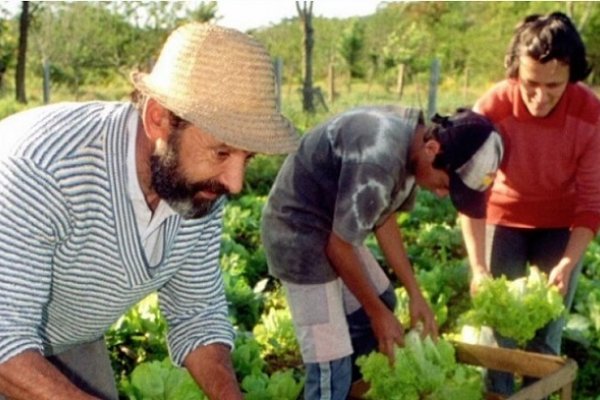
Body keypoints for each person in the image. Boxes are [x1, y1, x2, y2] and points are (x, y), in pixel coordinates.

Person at [0, 23, 299, 400]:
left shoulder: (196, 188)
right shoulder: (43, 169)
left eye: (248, 157)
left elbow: (196, 315)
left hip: (70, 334)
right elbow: (5, 339)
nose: (235, 183)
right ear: (158, 119)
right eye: (222, 152)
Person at [261, 106, 504, 400]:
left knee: (381, 303)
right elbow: (339, 247)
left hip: (332, 226)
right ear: (432, 148)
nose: (441, 194)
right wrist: (378, 315)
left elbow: (384, 219)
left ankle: (342, 384)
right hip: (298, 233)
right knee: (331, 364)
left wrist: (415, 293)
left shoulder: (415, 146)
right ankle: (329, 384)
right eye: (443, 184)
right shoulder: (381, 158)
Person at [460, 11, 600, 396]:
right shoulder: (491, 109)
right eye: (530, 84)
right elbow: (472, 194)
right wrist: (477, 269)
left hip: (560, 224)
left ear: (572, 76)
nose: (540, 97)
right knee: (497, 336)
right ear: (515, 73)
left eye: (554, 85)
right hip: (502, 219)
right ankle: (499, 394)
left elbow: (591, 203)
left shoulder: (590, 114)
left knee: (546, 334)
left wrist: (568, 263)